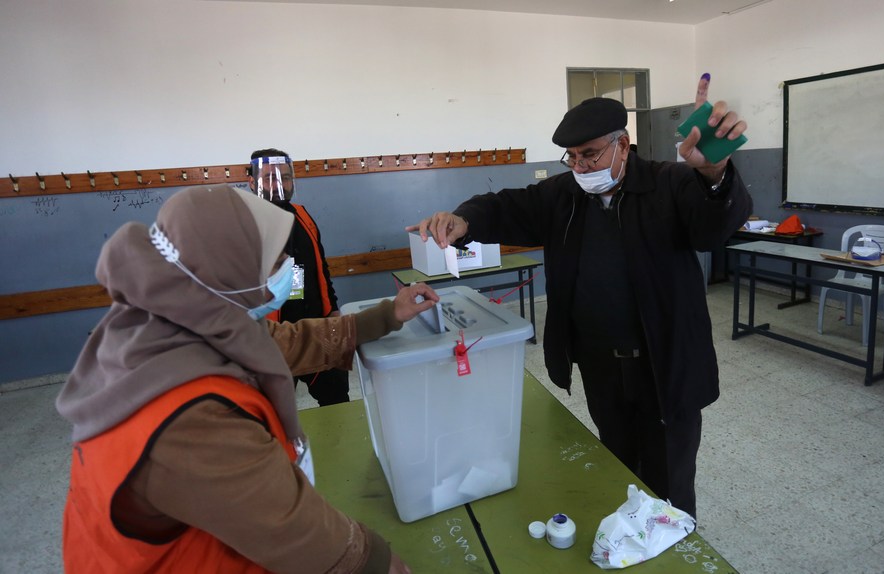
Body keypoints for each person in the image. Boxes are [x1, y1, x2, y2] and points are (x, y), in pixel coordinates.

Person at [408, 77, 752, 518]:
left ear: (623, 145)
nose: (582, 166)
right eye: (572, 157)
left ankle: (674, 544)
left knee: (669, 475)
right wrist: (463, 220)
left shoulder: (670, 184)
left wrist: (712, 174)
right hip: (599, 363)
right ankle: (625, 530)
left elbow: (714, 228)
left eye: (591, 154)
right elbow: (506, 206)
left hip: (664, 362)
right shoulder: (562, 196)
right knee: (616, 461)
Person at [57, 183, 437, 573]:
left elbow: (286, 341)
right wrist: (378, 562)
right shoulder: (191, 419)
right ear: (227, 273)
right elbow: (294, 532)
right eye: (274, 262)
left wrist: (387, 315)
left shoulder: (161, 324)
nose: (289, 265)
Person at [248, 148, 349, 406]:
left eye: (285, 176)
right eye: (270, 177)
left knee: (336, 399)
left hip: (316, 328)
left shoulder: (303, 216)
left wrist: (333, 310)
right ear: (252, 182)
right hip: (270, 338)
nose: (279, 183)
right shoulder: (242, 223)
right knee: (271, 412)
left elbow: (320, 268)